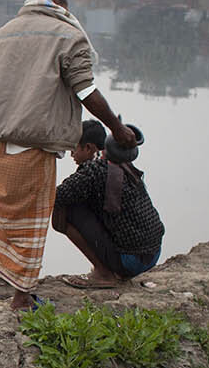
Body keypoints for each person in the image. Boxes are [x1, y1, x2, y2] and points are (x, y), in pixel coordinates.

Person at [0, 0, 137, 310]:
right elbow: (84, 91)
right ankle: (21, 297)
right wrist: (117, 128)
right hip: (34, 146)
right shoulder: (68, 36)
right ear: (58, 1)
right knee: (31, 224)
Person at [53, 121, 164, 288]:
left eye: (74, 149)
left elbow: (56, 197)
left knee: (64, 210)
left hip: (132, 261)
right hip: (153, 254)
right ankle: (110, 268)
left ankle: (104, 274)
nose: (71, 155)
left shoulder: (93, 171)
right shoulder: (121, 162)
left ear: (88, 148)